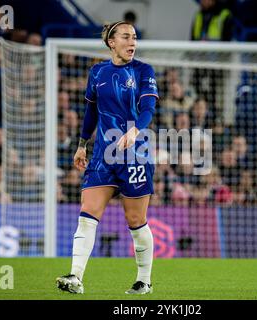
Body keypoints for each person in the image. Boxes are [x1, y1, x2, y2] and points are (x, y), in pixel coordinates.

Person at [56, 21, 158, 295]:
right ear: (111, 42)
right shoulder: (97, 72)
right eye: (126, 36)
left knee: (136, 220)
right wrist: (81, 145)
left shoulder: (143, 71)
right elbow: (90, 112)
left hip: (135, 153)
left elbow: (148, 108)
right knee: (87, 214)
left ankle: (143, 281)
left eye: (134, 37)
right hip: (102, 155)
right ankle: (75, 277)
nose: (132, 41)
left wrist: (135, 130)